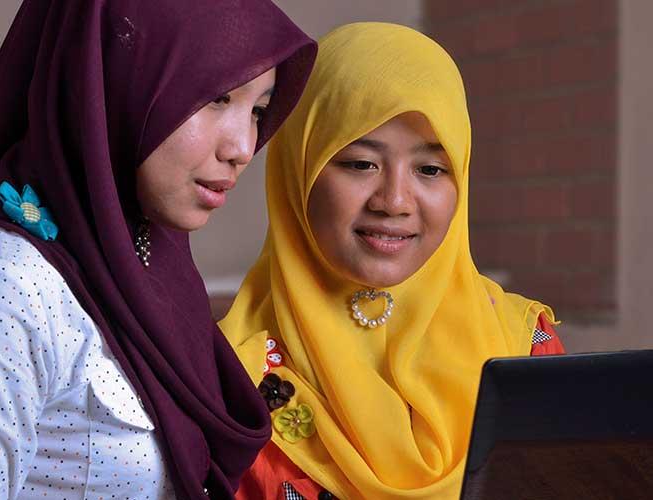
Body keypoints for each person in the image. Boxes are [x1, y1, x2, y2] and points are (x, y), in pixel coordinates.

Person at [0, 1, 316, 498]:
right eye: (217, 97)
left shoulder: (144, 256)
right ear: (116, 81)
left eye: (258, 110)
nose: (242, 147)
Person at [220, 23, 563, 500]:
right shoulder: (229, 383)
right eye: (362, 163)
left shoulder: (527, 350)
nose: (395, 200)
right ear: (298, 170)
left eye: (430, 169)